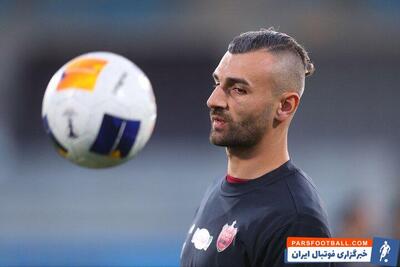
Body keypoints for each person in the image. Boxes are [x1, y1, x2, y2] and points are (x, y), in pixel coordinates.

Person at [180, 28, 333, 267]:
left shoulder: (296, 220)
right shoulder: (216, 190)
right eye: (217, 83)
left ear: (285, 106)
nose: (214, 100)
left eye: (238, 89)